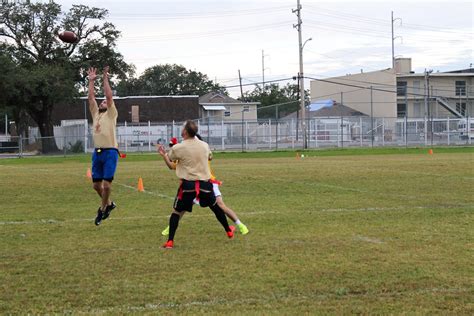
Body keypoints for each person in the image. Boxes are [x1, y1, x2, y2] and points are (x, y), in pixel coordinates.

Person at [157, 120, 234, 249]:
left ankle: (170, 241)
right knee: (216, 208)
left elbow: (171, 163)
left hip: (187, 186)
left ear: (185, 132)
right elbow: (210, 157)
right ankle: (228, 230)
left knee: (176, 212)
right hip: (205, 185)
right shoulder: (204, 145)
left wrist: (164, 155)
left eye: (182, 128)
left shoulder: (178, 147)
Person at [160, 135, 249, 236]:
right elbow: (172, 166)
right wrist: (165, 156)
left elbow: (209, 156)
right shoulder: (190, 153)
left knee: (220, 205)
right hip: (195, 184)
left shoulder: (202, 152)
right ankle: (169, 229)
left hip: (207, 182)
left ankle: (241, 225)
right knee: (182, 208)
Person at [87, 66, 119, 226]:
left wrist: (105, 78)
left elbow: (109, 95)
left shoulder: (111, 113)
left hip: (110, 152)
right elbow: (91, 98)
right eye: (102, 102)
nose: (103, 101)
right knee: (96, 186)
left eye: (105, 102)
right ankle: (109, 204)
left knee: (106, 185)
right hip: (97, 153)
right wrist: (91, 81)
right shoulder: (96, 114)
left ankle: (102, 209)